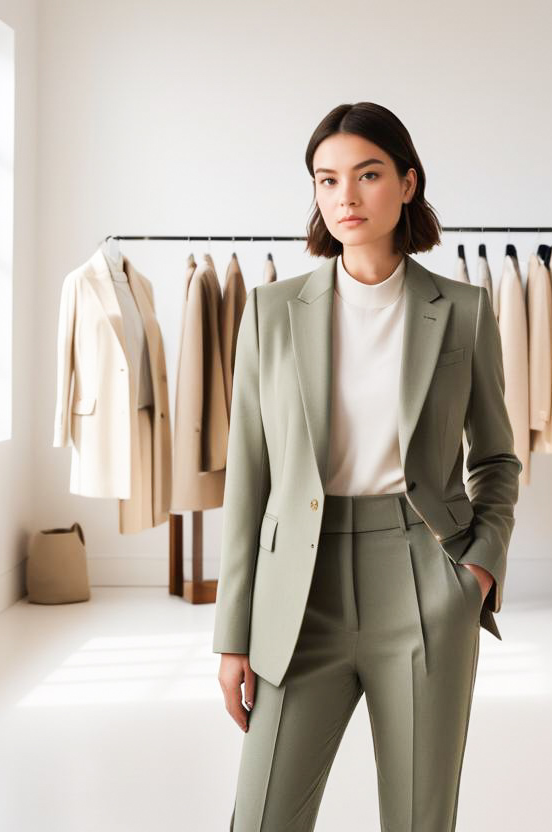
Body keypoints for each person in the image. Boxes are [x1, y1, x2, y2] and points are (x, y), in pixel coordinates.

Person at [214, 101, 522, 831]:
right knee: (261, 818)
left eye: (368, 174)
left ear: (408, 183)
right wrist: (233, 633)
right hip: (300, 592)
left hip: (425, 578)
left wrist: (475, 572)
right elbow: (248, 476)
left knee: (419, 819)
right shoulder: (270, 312)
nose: (345, 197)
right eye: (327, 180)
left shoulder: (464, 310)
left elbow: (498, 456)